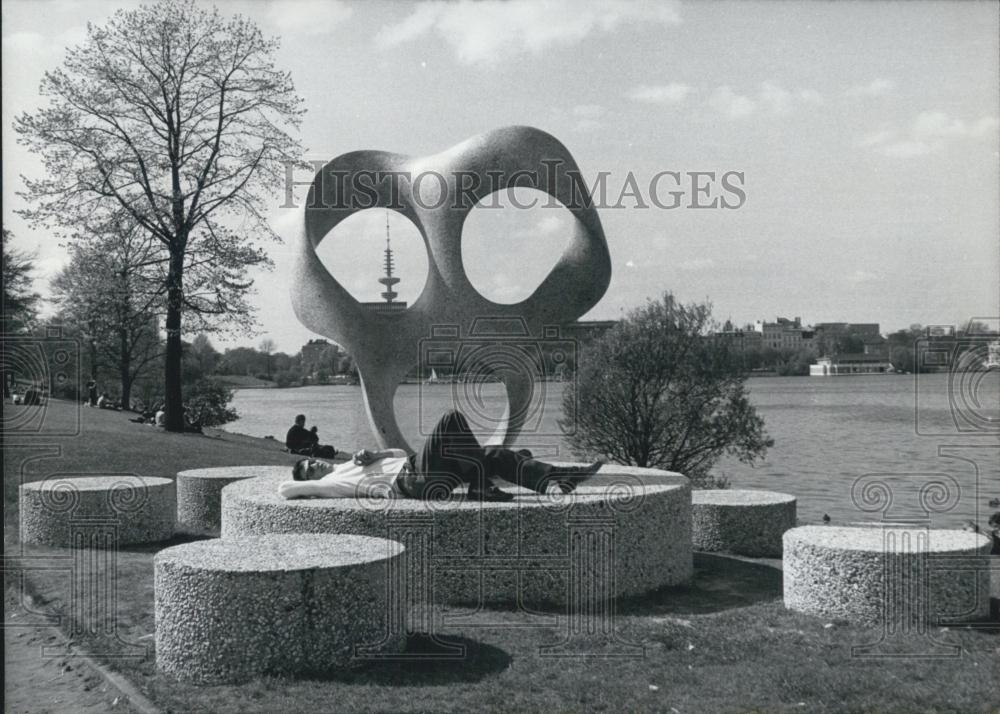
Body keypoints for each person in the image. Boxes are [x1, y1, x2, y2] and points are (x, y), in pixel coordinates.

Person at [279, 409, 602, 502]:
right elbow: (287, 489)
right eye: (309, 469)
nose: (315, 464)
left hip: (421, 469)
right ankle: (481, 485)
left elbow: (398, 452)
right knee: (451, 420)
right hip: (415, 480)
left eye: (312, 461)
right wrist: (305, 486)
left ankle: (559, 479)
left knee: (492, 454)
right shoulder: (332, 484)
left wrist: (376, 452)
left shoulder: (350, 464)